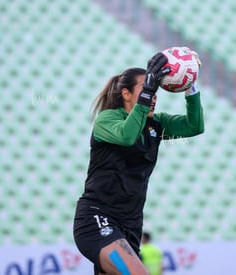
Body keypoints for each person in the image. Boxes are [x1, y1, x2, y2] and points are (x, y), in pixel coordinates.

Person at [73, 52, 204, 275]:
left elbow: (194, 126)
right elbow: (127, 136)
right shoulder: (107, 119)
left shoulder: (156, 124)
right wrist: (145, 98)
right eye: (146, 89)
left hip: (131, 227)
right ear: (125, 94)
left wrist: (191, 86)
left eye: (154, 90)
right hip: (97, 219)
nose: (153, 96)